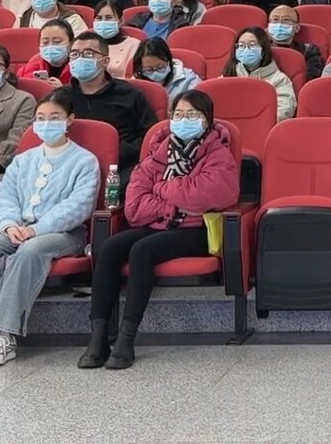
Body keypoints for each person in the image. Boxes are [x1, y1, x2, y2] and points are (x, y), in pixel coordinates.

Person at [77, 89, 238, 370]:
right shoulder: (158, 153)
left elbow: (208, 195)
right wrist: (174, 206)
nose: (184, 120)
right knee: (111, 247)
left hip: (197, 230)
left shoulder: (218, 153)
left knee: (143, 250)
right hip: (159, 224)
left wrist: (161, 188)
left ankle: (127, 338)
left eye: (192, 115)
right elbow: (134, 207)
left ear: (207, 120)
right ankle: (98, 337)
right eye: (178, 114)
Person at [0, 89, 100, 370]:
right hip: (18, 229)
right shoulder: (23, 159)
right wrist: (8, 225)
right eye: (40, 118)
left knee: (30, 251)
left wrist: (37, 230)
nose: (46, 123)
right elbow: (5, 196)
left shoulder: (84, 160)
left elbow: (79, 206)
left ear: (69, 120)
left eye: (54, 117)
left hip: (64, 234)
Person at [68, 31, 160, 170]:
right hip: (71, 167)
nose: (80, 59)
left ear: (105, 61)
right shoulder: (61, 97)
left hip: (119, 167)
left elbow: (151, 136)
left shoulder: (129, 94)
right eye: (74, 54)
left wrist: (119, 152)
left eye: (88, 54)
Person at [135, 37, 202, 104]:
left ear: (169, 61)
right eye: (149, 69)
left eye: (160, 67)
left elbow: (198, 106)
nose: (155, 73)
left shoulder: (190, 79)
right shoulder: (136, 82)